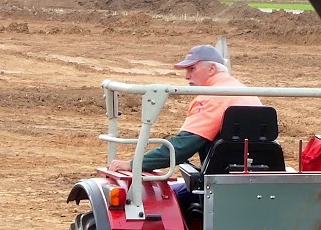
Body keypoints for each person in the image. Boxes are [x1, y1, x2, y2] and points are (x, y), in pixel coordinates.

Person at [109, 44, 263, 172]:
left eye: (192, 69)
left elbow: (182, 147)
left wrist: (133, 164)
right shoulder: (242, 90)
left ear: (211, 69)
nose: (187, 76)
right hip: (260, 171)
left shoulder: (212, 96)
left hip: (222, 181)